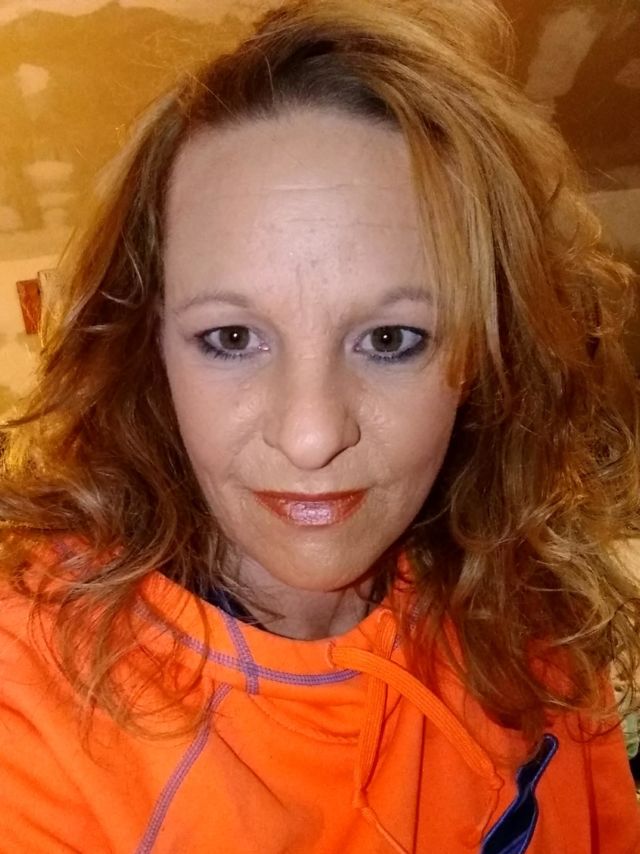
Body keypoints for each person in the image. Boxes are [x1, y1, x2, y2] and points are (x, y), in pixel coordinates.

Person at [1, 0, 639, 851]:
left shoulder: (534, 612)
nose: (311, 438)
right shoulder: (33, 708)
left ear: (490, 349)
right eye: (232, 339)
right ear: (146, 346)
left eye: (391, 339)